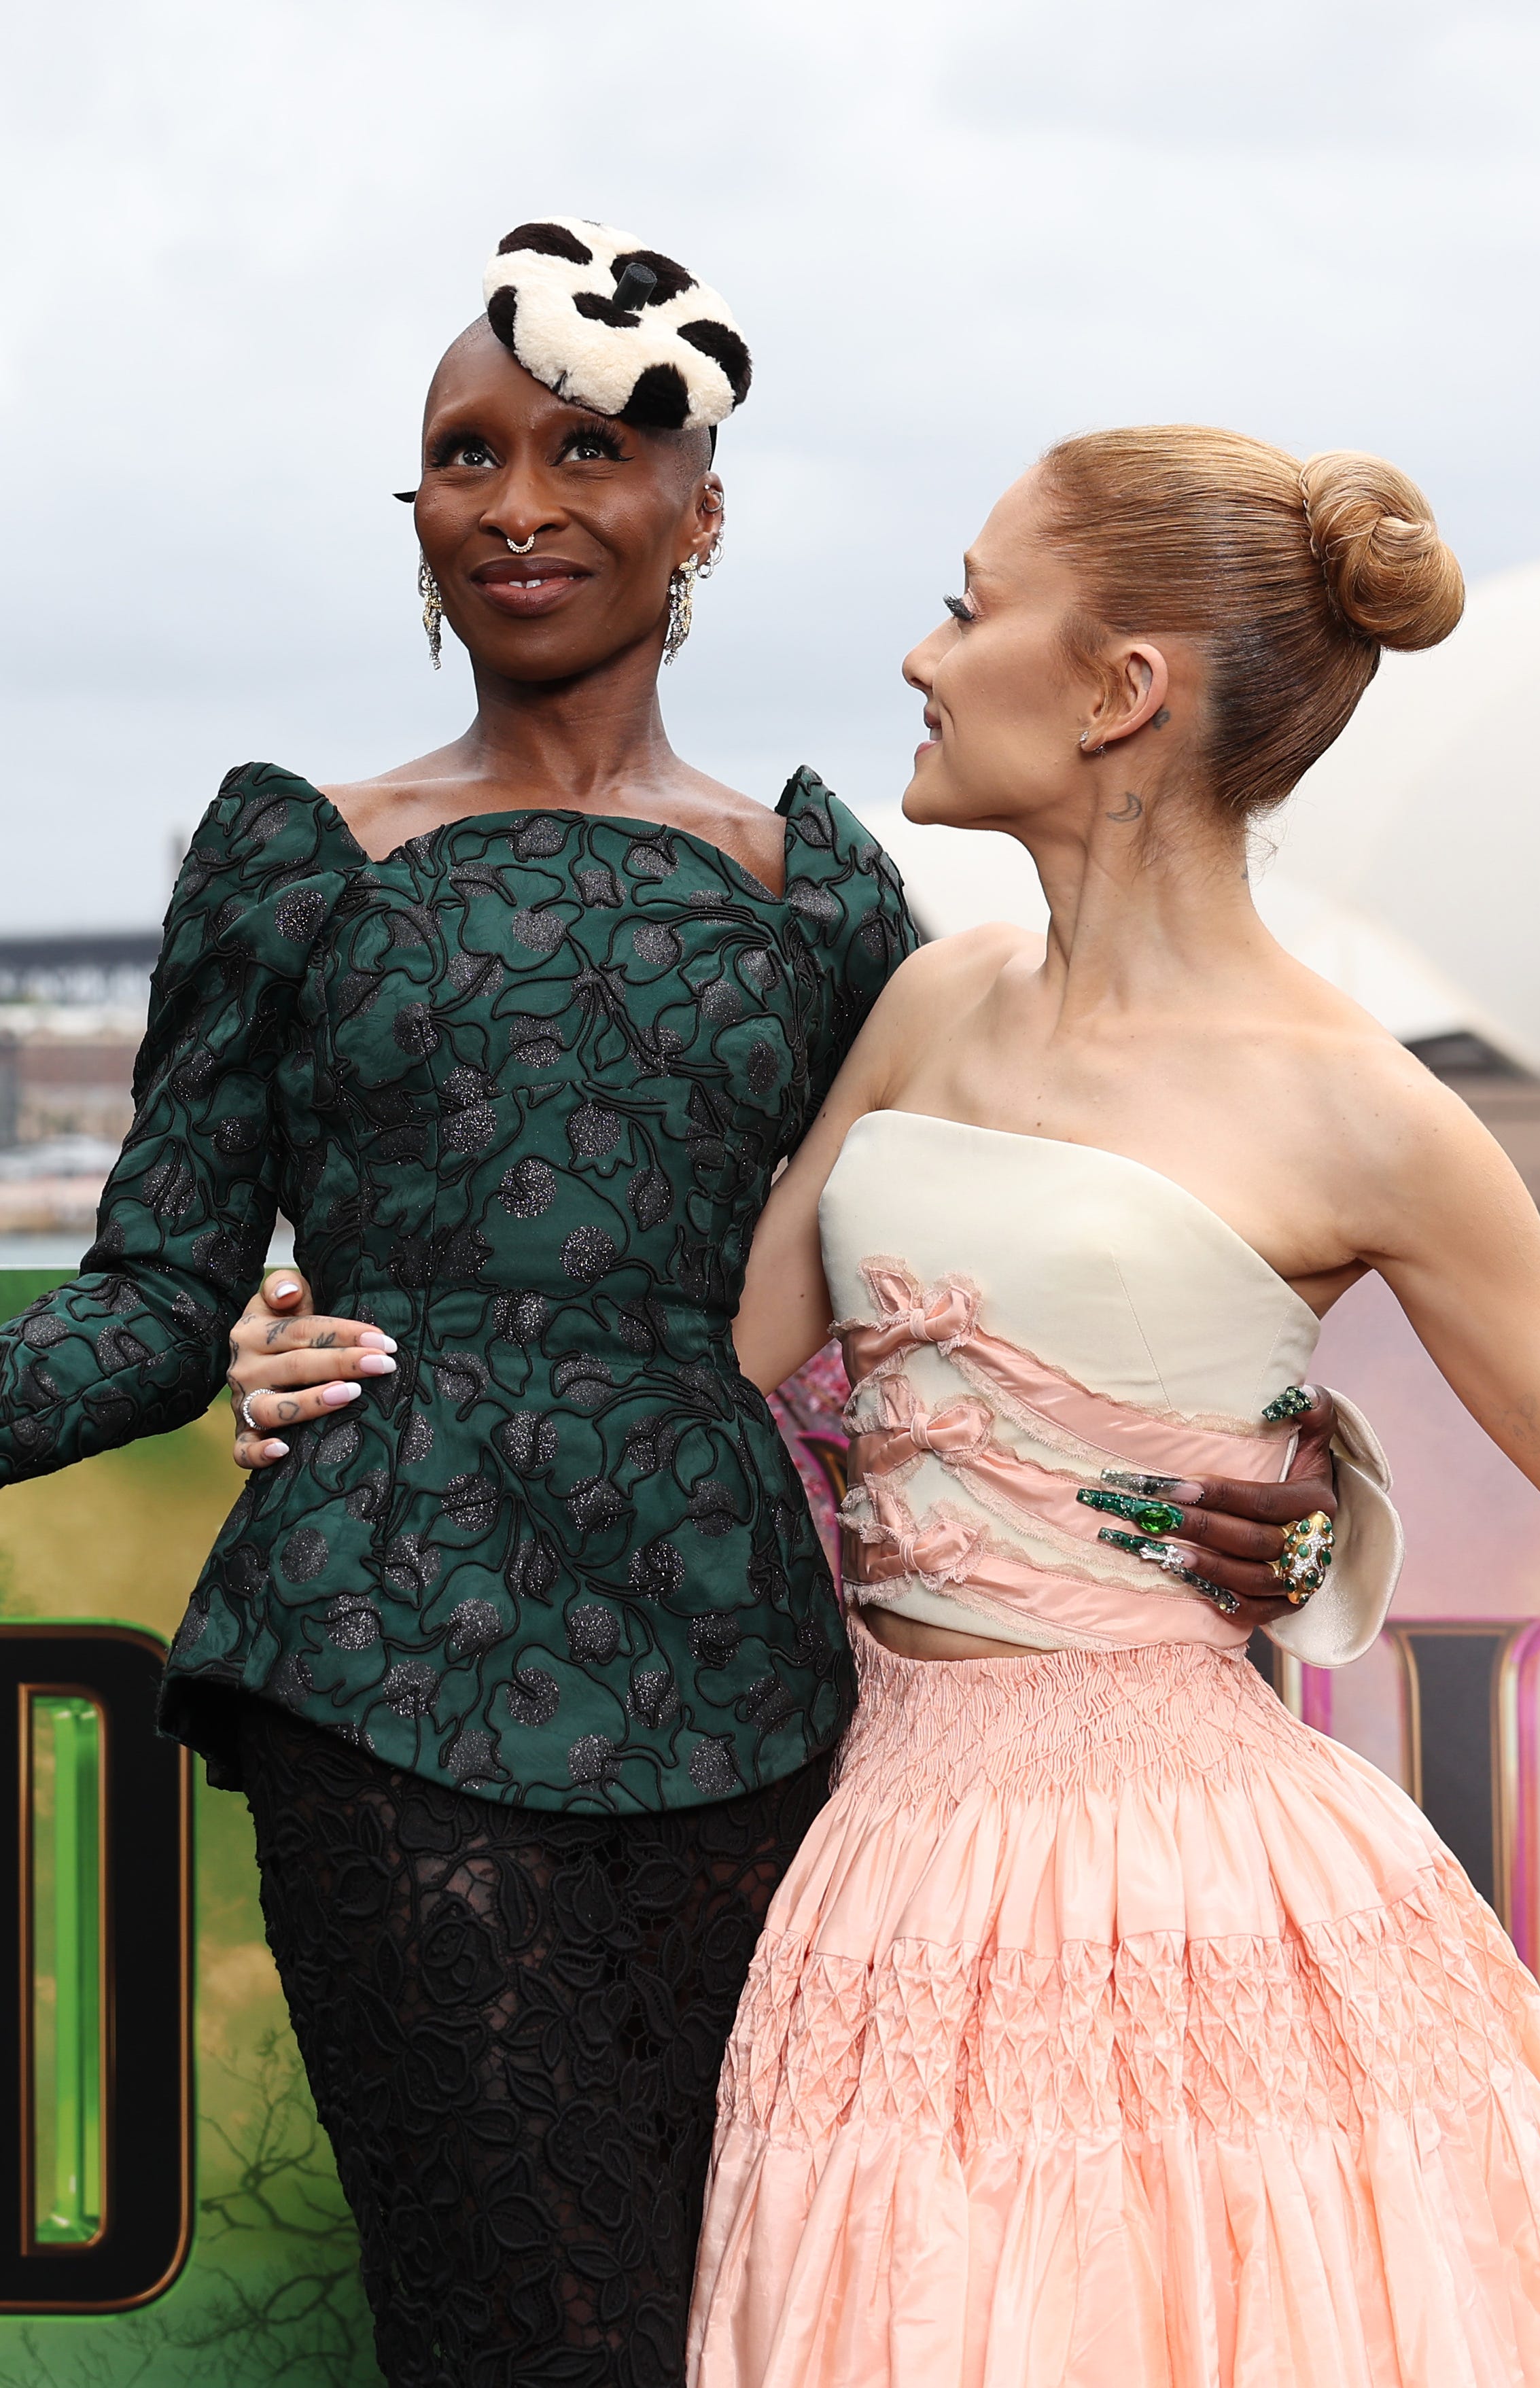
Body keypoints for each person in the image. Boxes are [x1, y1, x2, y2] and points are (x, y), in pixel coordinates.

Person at [0, 226, 1331, 2386]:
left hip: (760, 1710)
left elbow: (974, 1276)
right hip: (381, 1662)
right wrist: (216, 1338)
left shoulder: (826, 891)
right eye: (460, 453)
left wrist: (1249, 1498)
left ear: (700, 506)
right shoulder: (293, 852)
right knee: (529, 2326)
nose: (516, 500)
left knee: (759, 2321)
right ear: (411, 515)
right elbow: (157, 1295)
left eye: (586, 450)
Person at [681, 429, 1540, 2385]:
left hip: (1207, 1891)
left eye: (965, 603)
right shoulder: (936, 1000)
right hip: (883, 1868)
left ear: (1118, 691)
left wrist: (1327, 1496)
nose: (922, 659)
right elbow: (711, 1362)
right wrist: (325, 1331)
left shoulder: (1370, 1110)